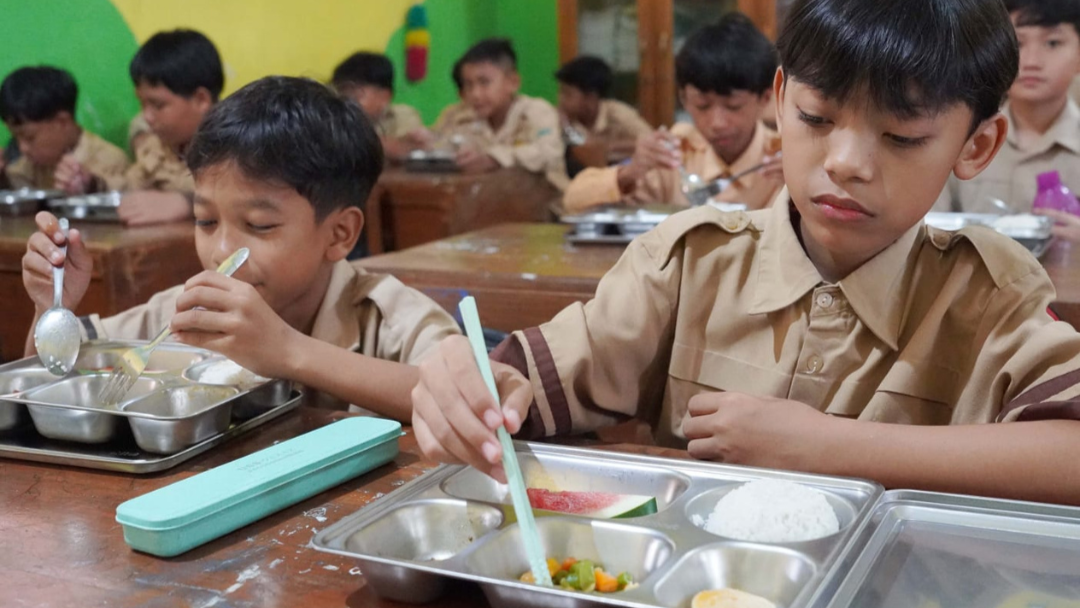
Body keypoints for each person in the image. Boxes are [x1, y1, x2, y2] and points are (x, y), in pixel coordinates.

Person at [412, 0, 1080, 506]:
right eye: (816, 118)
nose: (845, 163)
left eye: (902, 137)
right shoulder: (689, 262)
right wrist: (471, 386)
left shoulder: (989, 295)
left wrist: (830, 448)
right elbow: (525, 385)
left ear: (976, 146)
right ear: (781, 102)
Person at [23, 76, 460, 419]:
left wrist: (288, 351)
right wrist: (51, 307)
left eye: (259, 225)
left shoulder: (390, 318)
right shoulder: (183, 315)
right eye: (205, 220)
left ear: (340, 234)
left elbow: (471, 400)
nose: (221, 251)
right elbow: (47, 374)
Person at [562, 13, 783, 213]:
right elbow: (573, 202)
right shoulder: (675, 156)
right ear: (684, 99)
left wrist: (797, 190)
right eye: (702, 106)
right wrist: (629, 173)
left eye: (733, 106)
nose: (717, 123)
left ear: (764, 98)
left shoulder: (784, 156)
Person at [938, 0, 1080, 244]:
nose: (1031, 61)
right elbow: (928, 227)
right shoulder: (960, 135)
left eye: (1052, 43)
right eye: (1018, 43)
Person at [57, 29, 223, 226]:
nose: (147, 117)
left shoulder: (236, 147)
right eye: (142, 104)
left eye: (158, 105)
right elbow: (130, 186)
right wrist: (92, 183)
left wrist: (187, 203)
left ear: (201, 100)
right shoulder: (157, 148)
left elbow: (245, 197)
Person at [433, 38, 567, 189]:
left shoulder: (537, 111)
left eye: (484, 82)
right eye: (469, 85)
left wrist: (494, 159)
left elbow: (550, 153)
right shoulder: (460, 118)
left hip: (544, 199)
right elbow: (440, 150)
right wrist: (428, 144)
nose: (475, 94)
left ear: (513, 82)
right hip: (486, 199)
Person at [0, 66, 127, 191]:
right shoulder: (29, 165)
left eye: (29, 138)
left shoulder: (110, 160)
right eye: (16, 137)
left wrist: (92, 185)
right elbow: (16, 187)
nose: (23, 148)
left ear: (62, 122)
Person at [555, 55, 651, 168]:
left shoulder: (618, 114)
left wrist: (611, 147)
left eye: (568, 94)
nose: (560, 99)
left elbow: (654, 142)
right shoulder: (566, 120)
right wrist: (566, 127)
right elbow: (583, 148)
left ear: (590, 98)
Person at [332, 51, 426, 163]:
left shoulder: (403, 115)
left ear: (384, 96)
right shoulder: (335, 118)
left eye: (356, 96)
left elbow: (408, 149)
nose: (347, 102)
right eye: (341, 94)